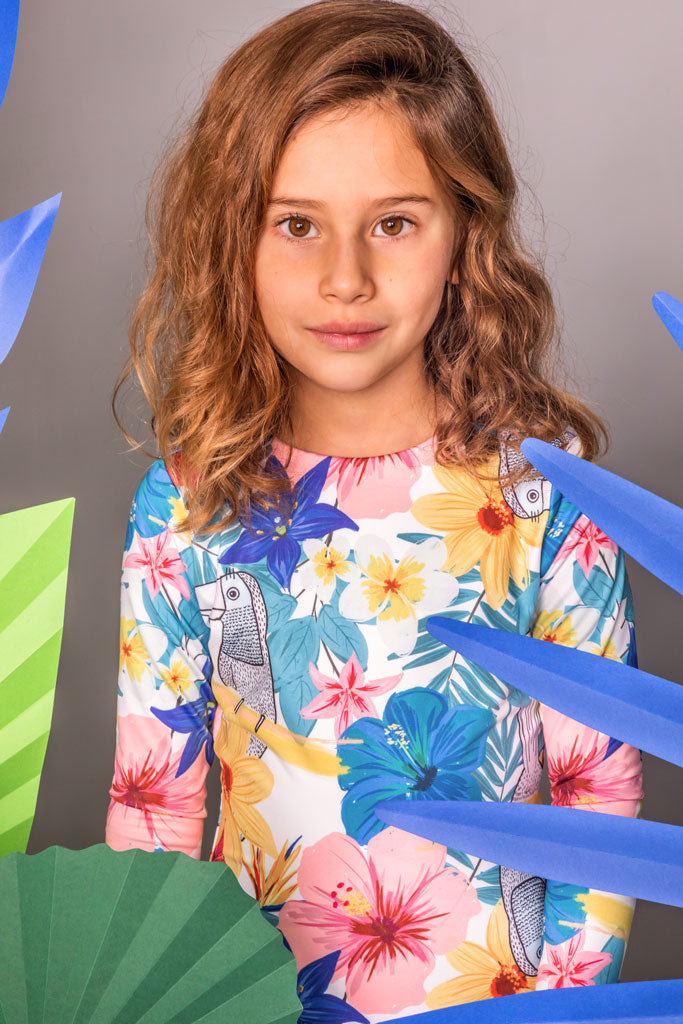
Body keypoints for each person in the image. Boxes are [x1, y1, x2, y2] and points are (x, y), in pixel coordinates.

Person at [106, 1, 643, 1018]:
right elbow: (154, 811)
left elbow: (593, 798)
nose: (344, 278)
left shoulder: (543, 496)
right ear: (231, 239)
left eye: (392, 223)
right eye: (295, 224)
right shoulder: (183, 507)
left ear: (463, 233)